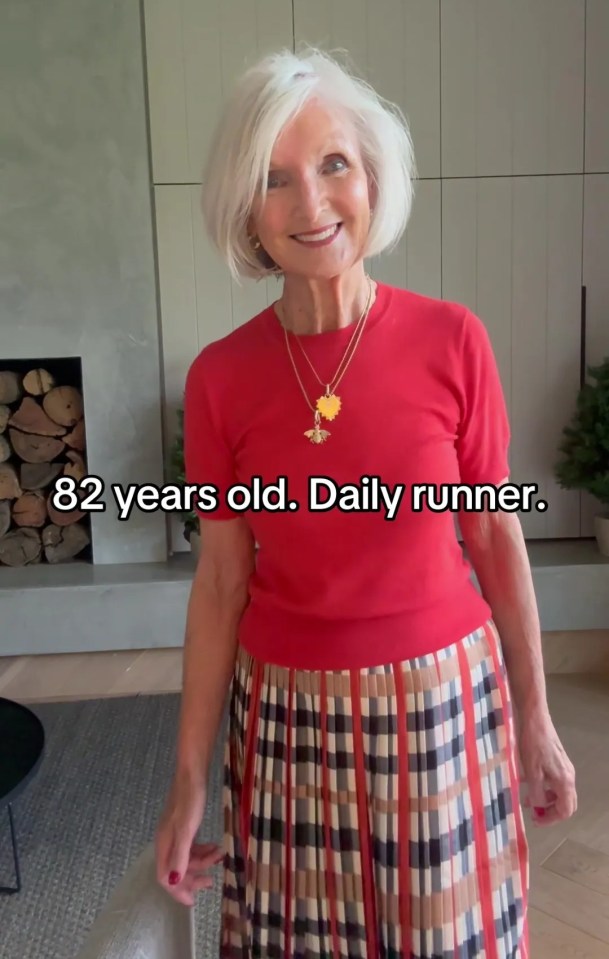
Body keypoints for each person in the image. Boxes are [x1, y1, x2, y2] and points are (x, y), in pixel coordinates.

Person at [155, 46, 577, 958]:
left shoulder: (452, 340)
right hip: (284, 718)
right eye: (274, 180)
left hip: (438, 702)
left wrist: (536, 718)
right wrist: (190, 781)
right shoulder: (218, 380)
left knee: (443, 939)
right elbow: (220, 586)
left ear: (372, 177)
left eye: (332, 164)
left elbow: (496, 540)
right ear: (245, 212)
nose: (310, 204)